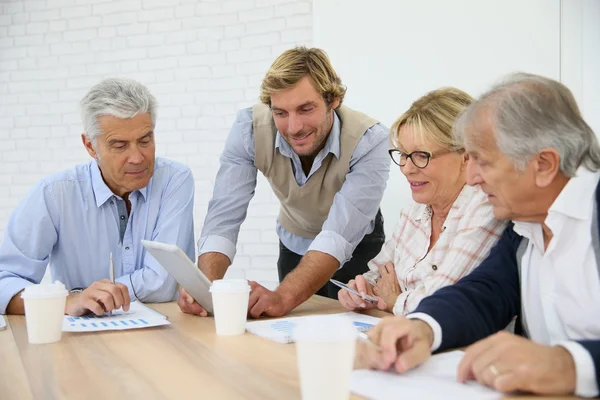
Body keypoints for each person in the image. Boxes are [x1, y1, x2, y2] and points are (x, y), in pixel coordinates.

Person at [358, 73, 600, 398]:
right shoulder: (524, 228)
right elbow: (483, 293)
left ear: (543, 165)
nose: (471, 178)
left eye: (482, 162)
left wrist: (571, 364)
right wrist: (423, 327)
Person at [178, 46, 390, 318]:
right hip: (294, 238)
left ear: (333, 100)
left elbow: (338, 236)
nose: (294, 127)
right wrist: (204, 288)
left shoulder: (370, 140)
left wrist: (282, 296)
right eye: (281, 113)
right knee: (294, 327)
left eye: (306, 109)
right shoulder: (249, 129)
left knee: (350, 327)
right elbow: (224, 215)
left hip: (358, 243)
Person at [0, 78, 196, 316]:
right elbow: (5, 282)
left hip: (165, 339)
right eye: (120, 146)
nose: (137, 157)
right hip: (83, 343)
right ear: (90, 146)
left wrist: (99, 297)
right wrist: (68, 300)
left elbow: (164, 283)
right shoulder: (54, 194)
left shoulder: (175, 180)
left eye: (145, 140)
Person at [337, 88, 506, 315]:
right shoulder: (418, 207)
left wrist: (394, 300)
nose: (406, 169)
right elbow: (378, 273)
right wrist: (360, 290)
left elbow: (441, 301)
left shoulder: (485, 208)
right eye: (404, 155)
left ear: (466, 155)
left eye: (421, 156)